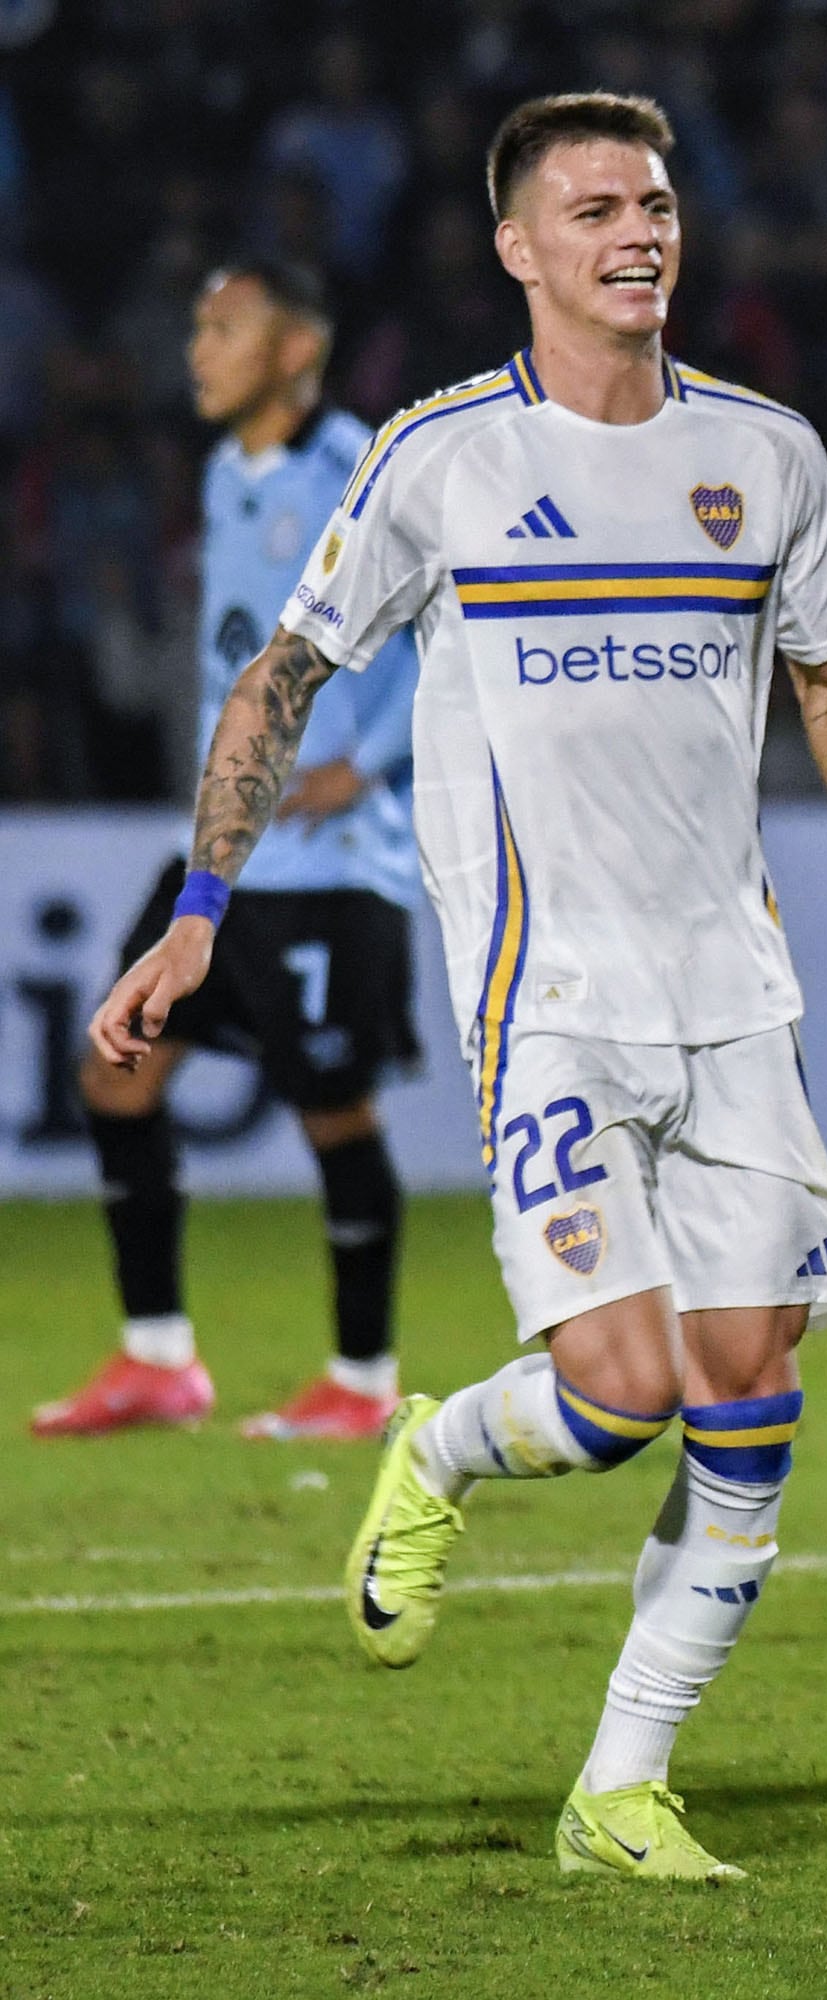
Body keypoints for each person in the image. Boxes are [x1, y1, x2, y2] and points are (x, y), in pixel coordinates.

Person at [89, 93, 827, 1883]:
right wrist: (202, 905)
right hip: (554, 996)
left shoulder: (767, 454)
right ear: (520, 248)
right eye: (595, 209)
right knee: (617, 1387)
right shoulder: (441, 458)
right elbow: (281, 679)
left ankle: (619, 1787)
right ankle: (440, 1445)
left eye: (656, 203)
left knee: (752, 1391)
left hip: (734, 990)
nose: (638, 232)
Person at [35, 259, 426, 1444]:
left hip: (332, 858)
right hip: (224, 857)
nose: (198, 349)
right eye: (198, 327)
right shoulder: (224, 470)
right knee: (116, 1070)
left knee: (332, 1111)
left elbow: (438, 621)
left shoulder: (360, 466)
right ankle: (159, 1356)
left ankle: (362, 1379)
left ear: (297, 347)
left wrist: (373, 759)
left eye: (225, 328)